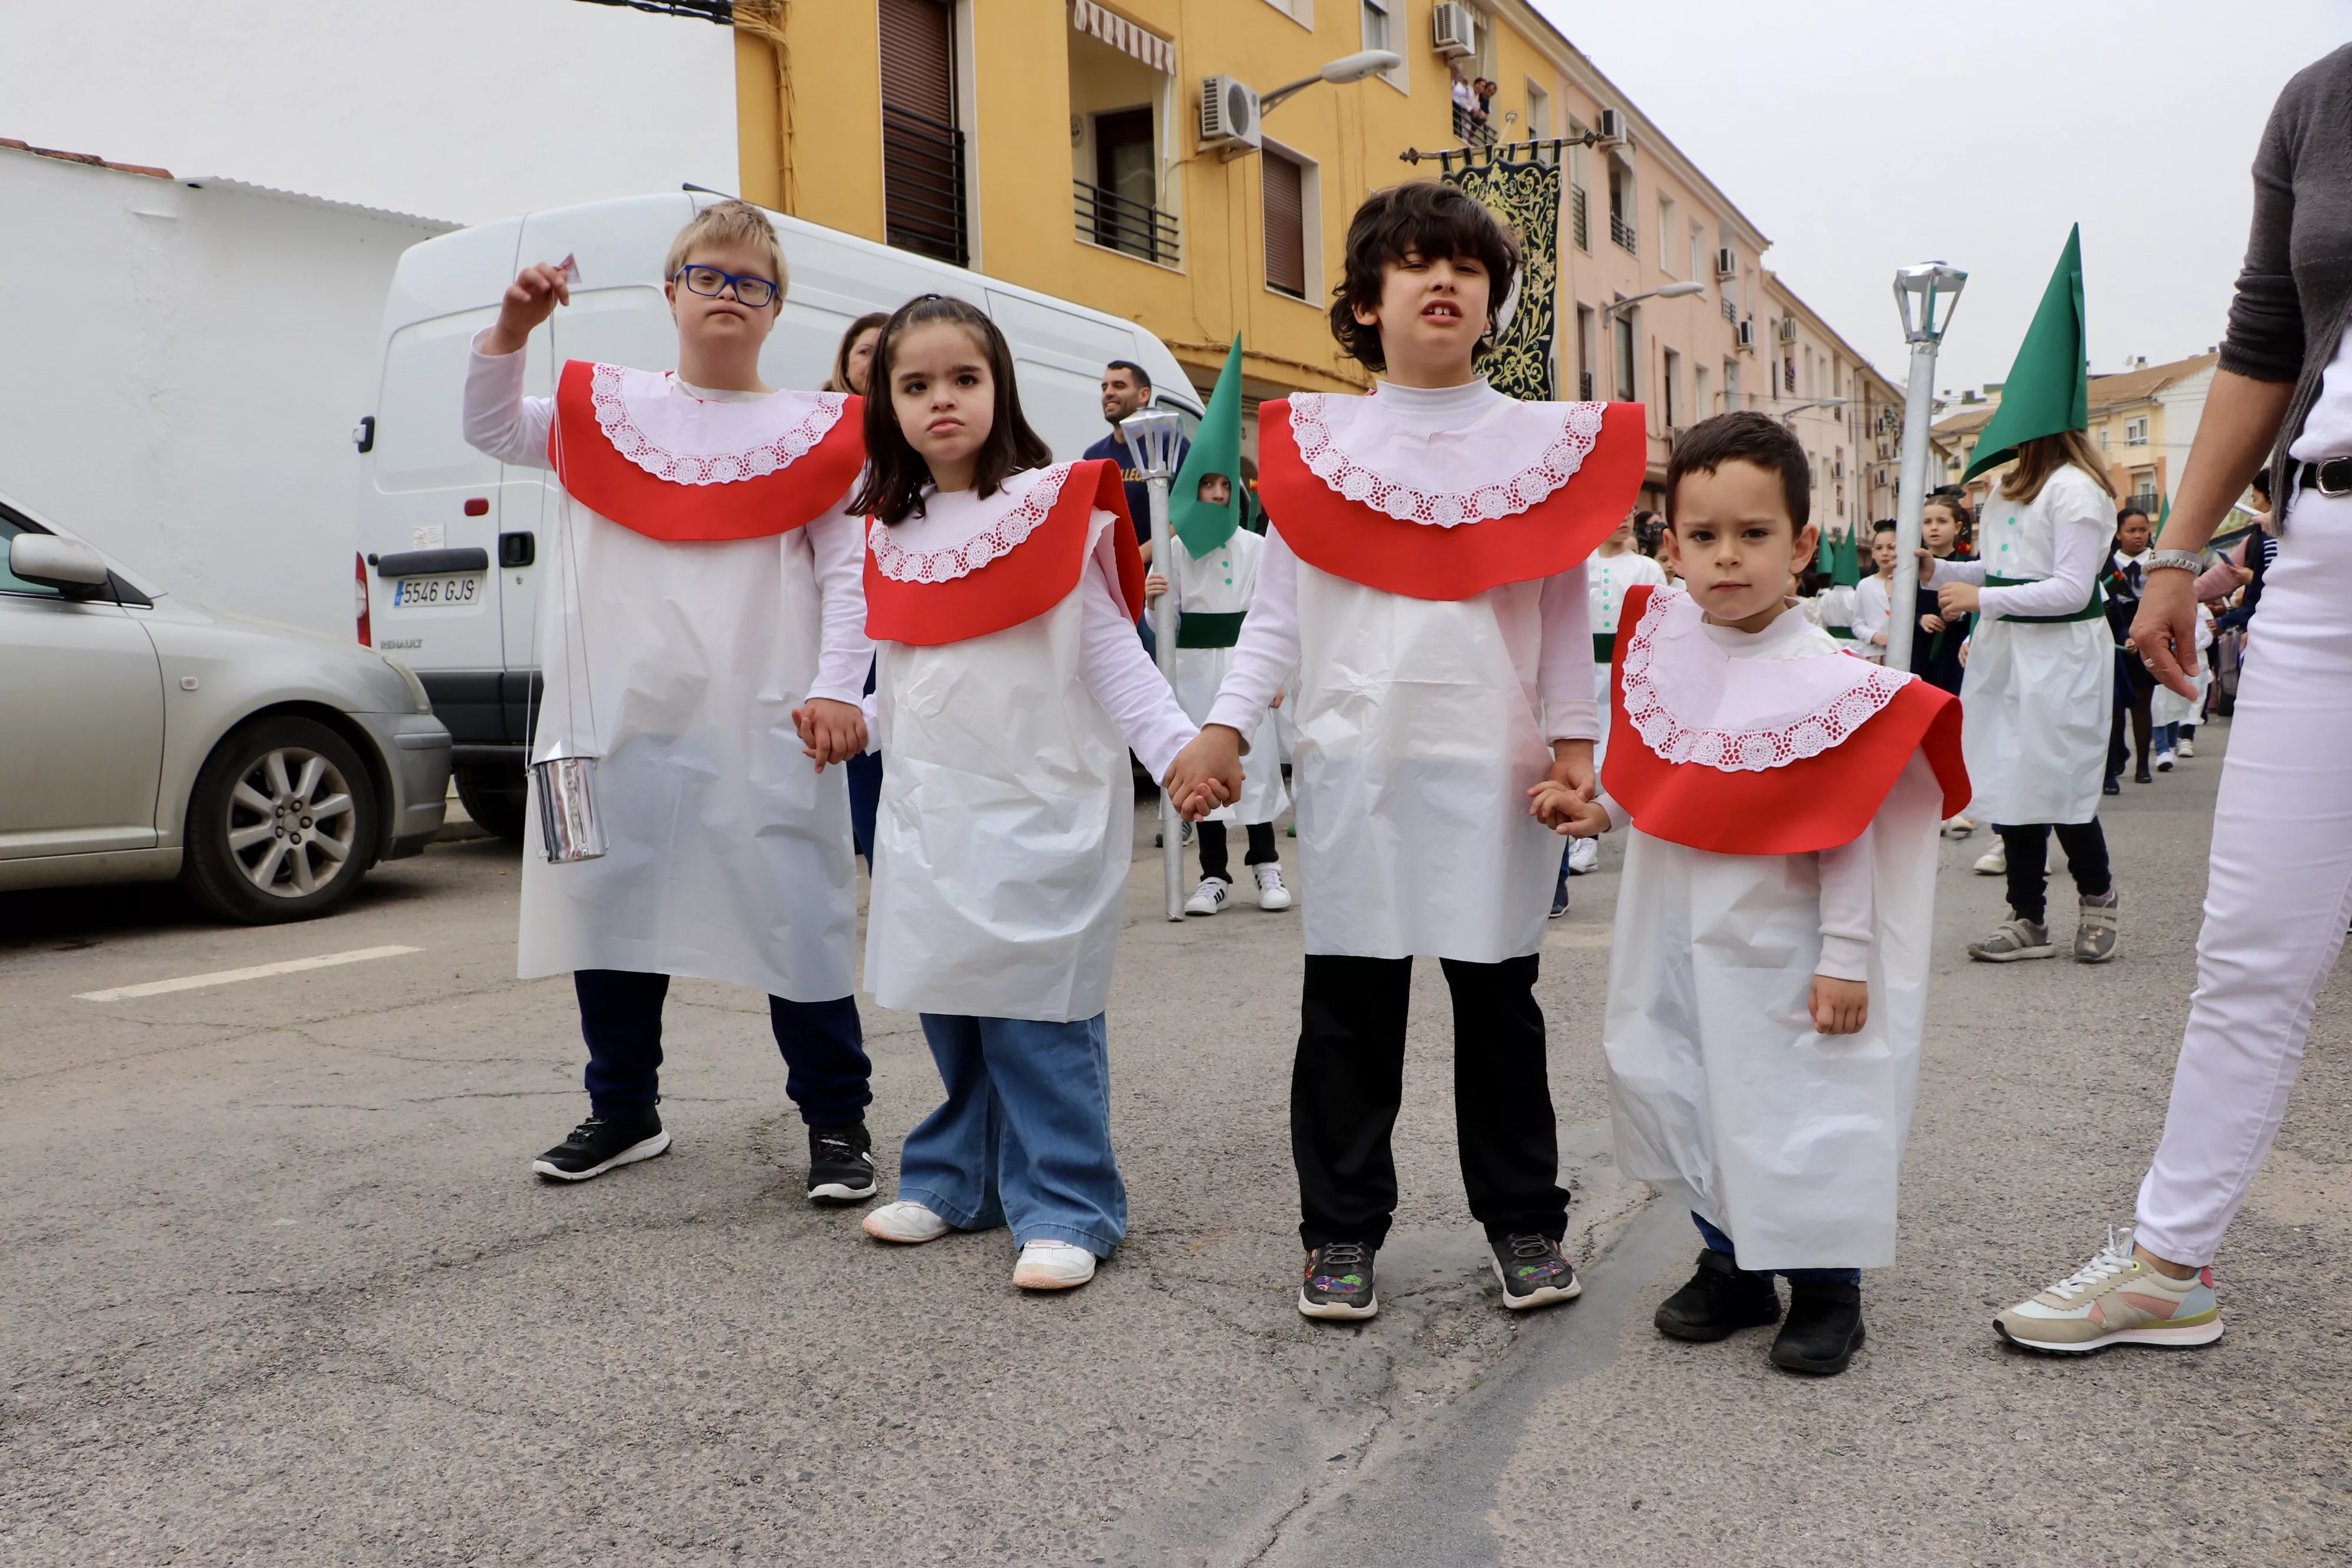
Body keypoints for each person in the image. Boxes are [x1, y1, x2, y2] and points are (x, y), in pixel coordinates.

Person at [1165, 181, 1647, 1322]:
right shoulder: (1316, 447)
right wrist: (1223, 730)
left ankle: (1524, 1225)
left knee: (1499, 1011)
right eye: (1415, 263)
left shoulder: (1542, 448)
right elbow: (1273, 617)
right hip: (1356, 767)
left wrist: (1575, 749)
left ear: (1490, 304)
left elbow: (1553, 618)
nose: (1442, 280)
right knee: (1346, 1014)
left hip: (1494, 772)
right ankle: (1337, 1235)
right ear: (1364, 303)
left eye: (1466, 267)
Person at [1998, 44, 2352, 1354]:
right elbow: (2267, 333)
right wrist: (2174, 552)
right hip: (2319, 559)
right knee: (2252, 943)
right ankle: (2170, 1260)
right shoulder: (2323, 99)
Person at [461, 201, 881, 1203]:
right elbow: (488, 426)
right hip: (611, 714)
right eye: (708, 275)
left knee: (796, 908)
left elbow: (848, 577)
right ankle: (623, 1108)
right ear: (672, 292)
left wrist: (835, 689)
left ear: (777, 309)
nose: (727, 294)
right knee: (607, 903)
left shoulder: (818, 434)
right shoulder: (601, 408)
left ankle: (836, 1121)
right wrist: (510, 334)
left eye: (751, 282)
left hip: (764, 714)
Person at [1545, 411, 1968, 1376]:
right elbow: (1659, 765)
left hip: (1784, 938)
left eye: (1751, 534)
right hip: (1675, 925)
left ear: (1801, 545)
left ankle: (1826, 1287)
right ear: (1671, 547)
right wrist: (1598, 807)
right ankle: (1731, 1260)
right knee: (1686, 1077)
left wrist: (1845, 956)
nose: (1725, 559)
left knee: (1797, 1101)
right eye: (1702, 537)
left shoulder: (1828, 681)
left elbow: (1846, 826)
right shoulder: (1663, 646)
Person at [849, 295, 1205, 1292]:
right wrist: (844, 722)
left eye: (962, 378)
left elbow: (1114, 661)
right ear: (887, 403)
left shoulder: (1053, 508)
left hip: (1038, 802)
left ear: (999, 389)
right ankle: (957, 1179)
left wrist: (1179, 751)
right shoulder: (882, 530)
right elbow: (898, 684)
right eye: (914, 385)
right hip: (932, 809)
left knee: (1037, 1015)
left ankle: (1069, 1202)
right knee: (952, 1004)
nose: (941, 401)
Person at [1924, 226, 2122, 967]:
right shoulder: (2008, 491)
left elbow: (2071, 588)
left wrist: (1982, 603)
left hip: (2063, 655)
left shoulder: (2078, 492)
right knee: (2009, 779)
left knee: (2061, 784)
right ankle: (2026, 917)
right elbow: (1999, 572)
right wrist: (1938, 573)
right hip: (2011, 652)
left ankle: (2098, 902)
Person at [1146, 469, 1292, 915]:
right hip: (1194, 673)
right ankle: (1214, 875)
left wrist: (1276, 676)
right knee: (1203, 768)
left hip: (1244, 668)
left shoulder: (1257, 548)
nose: (1216, 493)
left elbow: (1276, 617)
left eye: (1225, 487)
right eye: (1207, 486)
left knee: (1258, 766)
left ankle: (1266, 863)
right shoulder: (1172, 551)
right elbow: (1165, 629)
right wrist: (1155, 601)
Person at [1559, 509, 1667, 896]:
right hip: (1581, 669)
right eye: (1614, 512)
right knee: (1581, 746)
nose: (1622, 520)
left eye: (1629, 514)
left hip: (1625, 669)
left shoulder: (1646, 568)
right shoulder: (1578, 561)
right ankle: (1581, 838)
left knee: (1618, 748)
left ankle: (1607, 823)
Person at [829, 312, 891, 870]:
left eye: (885, 349)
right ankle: (881, 867)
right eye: (863, 351)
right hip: (853, 626)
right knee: (864, 769)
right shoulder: (820, 435)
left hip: (907, 618)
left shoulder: (919, 438)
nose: (873, 360)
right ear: (845, 365)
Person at [1082, 359, 1185, 656]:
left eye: (1118, 385)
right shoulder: (1095, 456)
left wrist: (1138, 556)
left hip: (1154, 584)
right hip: (1109, 586)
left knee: (1153, 667)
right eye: (1104, 387)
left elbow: (1184, 515)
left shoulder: (1169, 442)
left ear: (1144, 395)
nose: (1108, 393)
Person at [2103, 504, 2158, 790]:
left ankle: (2142, 766)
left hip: (2146, 635)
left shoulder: (2158, 561)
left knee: (2141, 702)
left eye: (2143, 530)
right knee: (2112, 705)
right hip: (2114, 636)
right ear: (2119, 534)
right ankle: (2115, 760)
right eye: (2131, 530)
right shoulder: (2108, 563)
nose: (2138, 536)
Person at [1851, 520, 1900, 664]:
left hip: (1908, 654)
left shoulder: (1910, 584)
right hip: (1874, 656)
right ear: (1873, 553)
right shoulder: (1865, 585)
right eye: (1879, 548)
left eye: (1891, 547)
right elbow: (1857, 623)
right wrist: (1874, 636)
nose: (1885, 553)